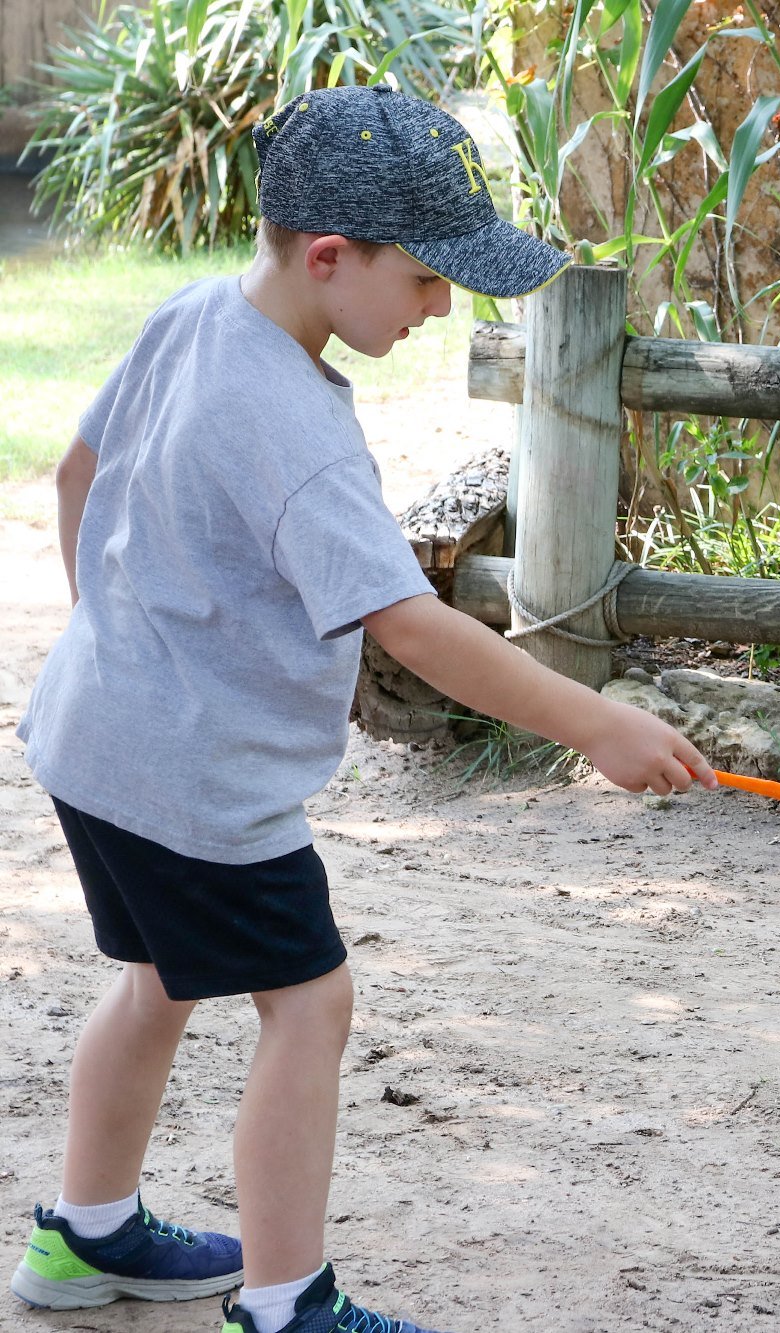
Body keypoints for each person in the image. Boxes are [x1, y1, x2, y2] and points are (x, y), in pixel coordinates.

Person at [9, 85, 715, 1333]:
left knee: (158, 977)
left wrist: (113, 638)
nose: (439, 307)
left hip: (97, 736)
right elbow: (413, 626)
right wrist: (595, 722)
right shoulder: (300, 431)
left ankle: (86, 1237)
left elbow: (78, 472)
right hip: (199, 783)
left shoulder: (191, 315)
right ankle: (288, 1305)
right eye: (428, 279)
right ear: (331, 257)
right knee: (310, 1003)